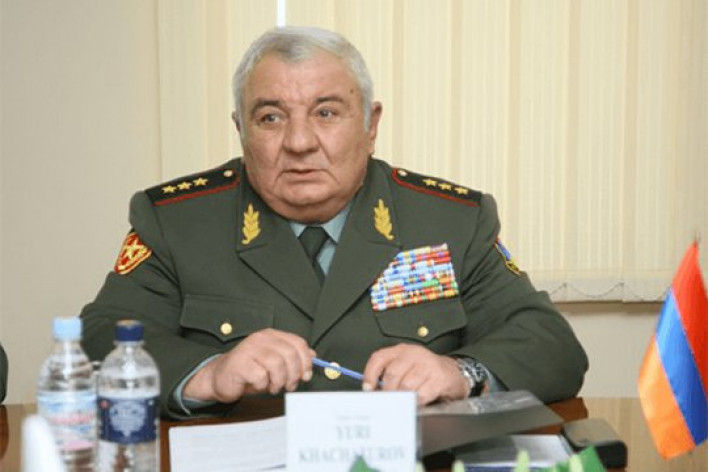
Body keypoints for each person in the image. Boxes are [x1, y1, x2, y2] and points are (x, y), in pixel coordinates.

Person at [80, 26, 588, 419]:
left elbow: (551, 345)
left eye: (325, 113)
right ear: (241, 130)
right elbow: (99, 340)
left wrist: (460, 372)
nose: (299, 142)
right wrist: (209, 374)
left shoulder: (450, 220)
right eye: (271, 117)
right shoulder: (178, 221)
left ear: (370, 124)